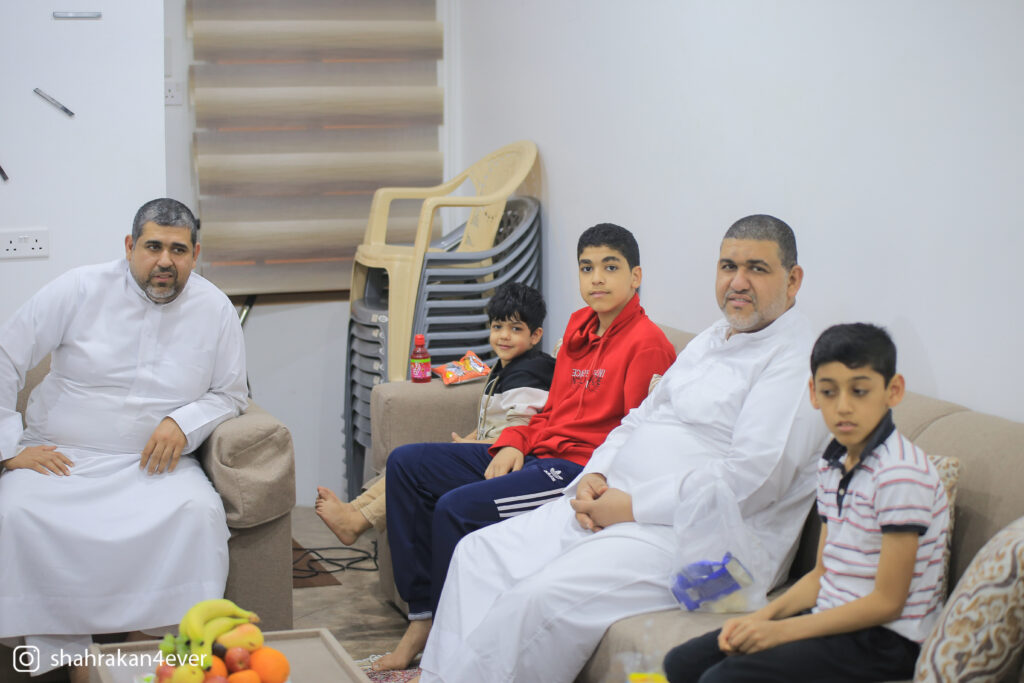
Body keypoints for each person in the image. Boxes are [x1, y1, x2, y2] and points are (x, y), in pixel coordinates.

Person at [415, 214, 830, 683]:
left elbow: (754, 481)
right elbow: (640, 417)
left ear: (792, 280)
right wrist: (595, 474)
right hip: (614, 501)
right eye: (728, 266)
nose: (737, 282)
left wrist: (631, 506)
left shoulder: (796, 360)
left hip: (704, 542)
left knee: (537, 599)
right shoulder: (714, 338)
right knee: (478, 554)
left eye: (757, 268)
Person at [378, 224, 677, 671]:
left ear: (635, 276)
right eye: (587, 268)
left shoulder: (648, 345)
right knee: (407, 465)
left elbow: (637, 436)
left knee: (456, 509)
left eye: (610, 267)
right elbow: (551, 409)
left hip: (574, 470)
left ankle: (449, 651)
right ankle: (422, 617)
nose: (597, 278)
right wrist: (513, 441)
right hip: (538, 452)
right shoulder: (578, 328)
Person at [0, 199, 247, 680]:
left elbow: (231, 393)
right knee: (16, 512)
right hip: (62, 457)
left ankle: (147, 653)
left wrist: (184, 422)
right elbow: (7, 353)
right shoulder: (79, 288)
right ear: (130, 246)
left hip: (153, 465)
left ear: (195, 254)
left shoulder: (215, 307)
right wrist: (8, 450)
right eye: (153, 247)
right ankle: (72, 658)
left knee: (196, 514)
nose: (165, 261)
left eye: (178, 250)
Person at [662, 323, 949, 683]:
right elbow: (822, 573)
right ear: (813, 393)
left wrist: (780, 632)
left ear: (894, 390)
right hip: (831, 617)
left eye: (860, 391)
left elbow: (887, 602)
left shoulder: (901, 473)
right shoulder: (832, 463)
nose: (843, 407)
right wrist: (759, 619)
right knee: (683, 662)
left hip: (887, 640)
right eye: (829, 392)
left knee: (723, 679)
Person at [314, 281, 557, 546]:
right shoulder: (504, 368)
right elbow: (490, 421)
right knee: (405, 461)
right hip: (487, 449)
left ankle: (358, 522)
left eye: (516, 329)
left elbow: (519, 433)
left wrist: (471, 446)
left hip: (504, 460)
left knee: (415, 468)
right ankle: (354, 509)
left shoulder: (530, 374)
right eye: (498, 327)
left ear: (535, 336)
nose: (504, 336)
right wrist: (469, 439)